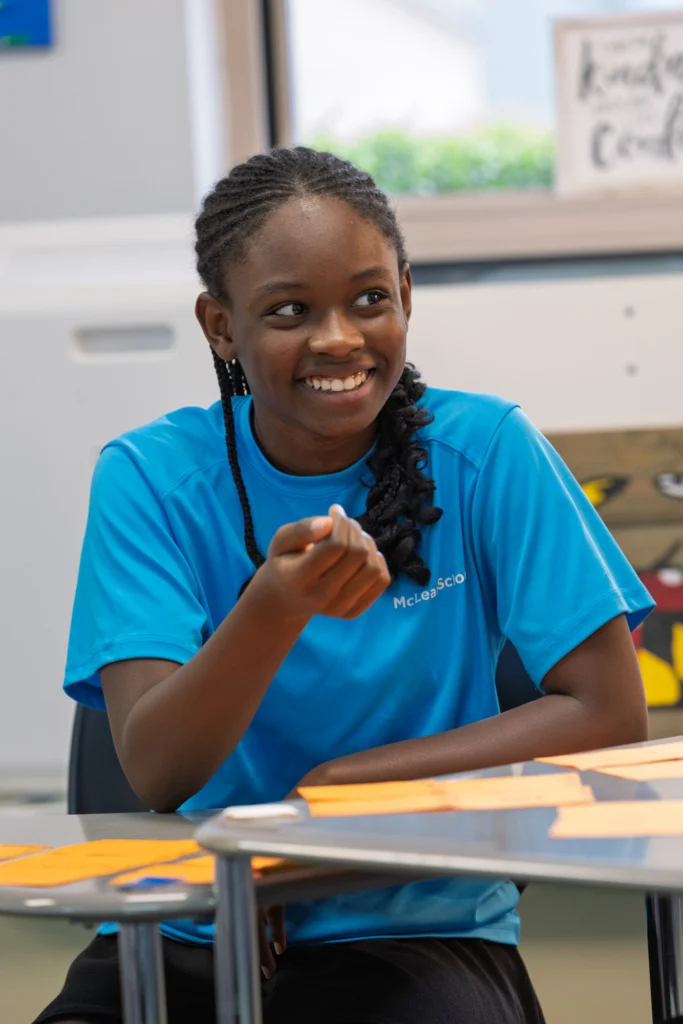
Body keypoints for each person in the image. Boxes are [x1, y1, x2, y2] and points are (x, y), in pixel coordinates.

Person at [36, 147, 652, 1024]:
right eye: (289, 311)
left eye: (369, 298)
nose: (338, 338)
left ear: (405, 292)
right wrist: (274, 607)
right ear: (220, 325)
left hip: (417, 926)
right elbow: (161, 769)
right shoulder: (148, 477)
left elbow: (607, 714)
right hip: (195, 925)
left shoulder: (488, 450)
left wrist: (336, 790)